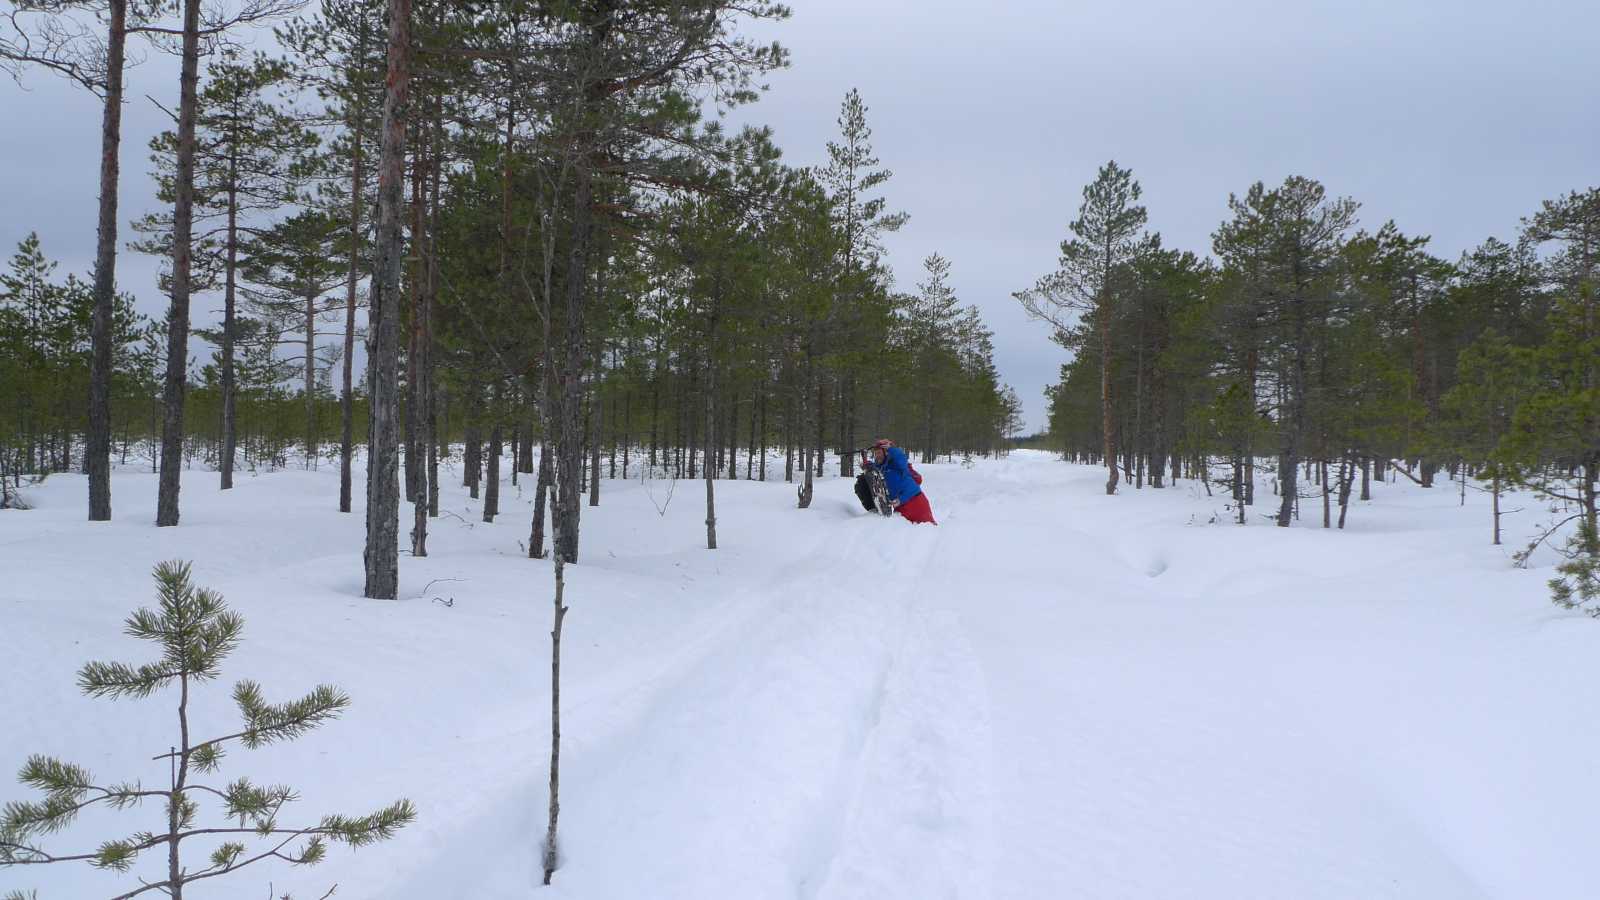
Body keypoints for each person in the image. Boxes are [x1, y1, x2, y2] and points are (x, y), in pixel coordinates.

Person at [860, 439, 937, 525]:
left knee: (928, 530)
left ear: (886, 453)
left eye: (879, 453)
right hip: (899, 507)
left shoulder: (898, 465)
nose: (877, 456)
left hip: (916, 503)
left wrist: (892, 449)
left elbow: (900, 458)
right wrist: (866, 463)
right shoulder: (880, 468)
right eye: (876, 453)